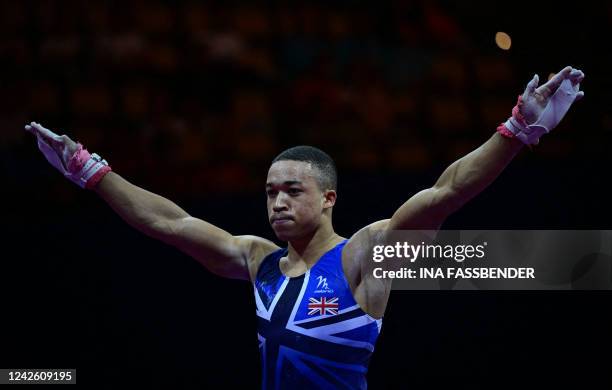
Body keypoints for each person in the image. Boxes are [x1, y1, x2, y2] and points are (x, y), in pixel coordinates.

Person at [26, 66, 584, 389]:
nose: (278, 202)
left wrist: (516, 131)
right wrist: (89, 170)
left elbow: (446, 193)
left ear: (329, 198)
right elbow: (167, 222)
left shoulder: (363, 255)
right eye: (270, 191)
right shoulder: (258, 260)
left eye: (293, 190)